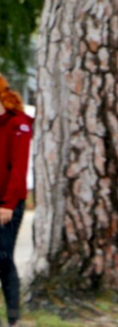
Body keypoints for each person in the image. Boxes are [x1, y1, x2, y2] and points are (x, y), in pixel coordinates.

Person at [0, 74, 33, 327]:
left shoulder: (18, 124)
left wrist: (8, 205)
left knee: (3, 258)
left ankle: (13, 318)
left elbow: (18, 170)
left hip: (8, 205)